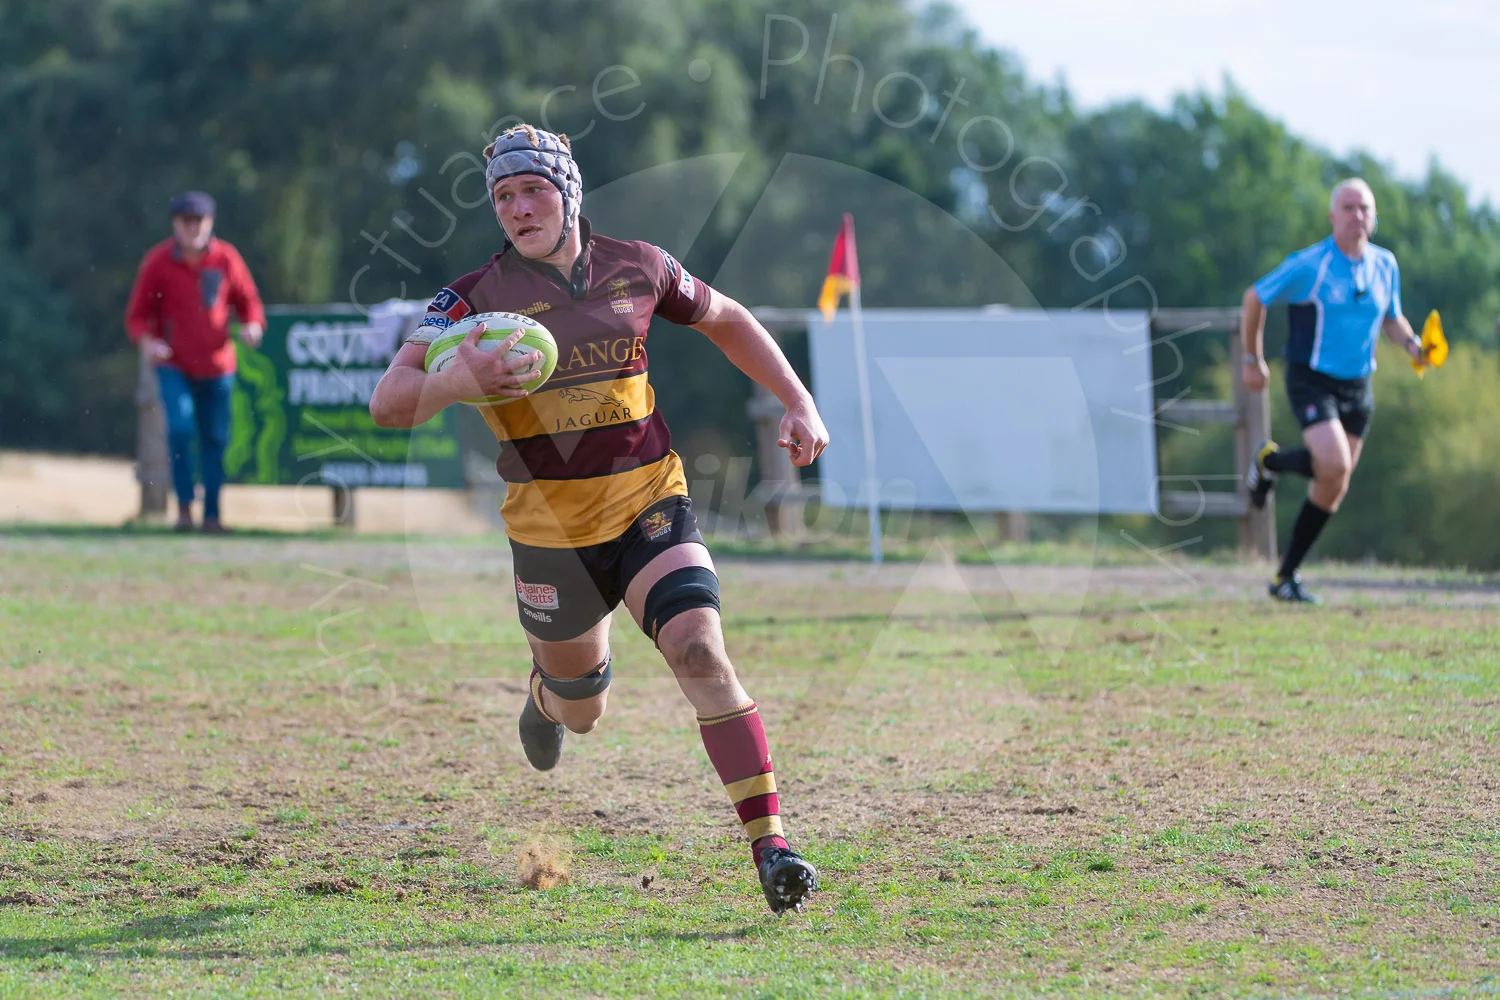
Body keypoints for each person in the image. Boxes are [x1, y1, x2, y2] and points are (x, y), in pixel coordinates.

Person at [368, 125, 830, 914]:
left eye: (532, 190)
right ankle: (548, 695)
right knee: (582, 713)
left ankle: (772, 846)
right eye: (503, 197)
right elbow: (388, 401)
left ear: (570, 191)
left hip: (650, 503)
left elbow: (725, 317)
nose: (517, 208)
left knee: (697, 650)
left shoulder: (639, 265)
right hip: (549, 535)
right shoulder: (471, 300)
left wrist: (798, 398)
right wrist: (460, 377)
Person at [1241, 178, 1426, 603]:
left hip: (1358, 385)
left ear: (1374, 216)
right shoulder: (1312, 264)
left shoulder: (1385, 264)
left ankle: (1284, 577)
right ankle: (1270, 463)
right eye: (1348, 207)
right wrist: (1252, 360)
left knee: (1334, 482)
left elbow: (1391, 319)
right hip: (1312, 378)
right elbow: (1255, 298)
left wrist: (1415, 347)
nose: (1357, 215)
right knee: (1334, 461)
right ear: (1332, 216)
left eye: (1364, 208)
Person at [124, 191, 266, 532]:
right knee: (180, 429)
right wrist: (148, 342)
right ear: (175, 224)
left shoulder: (227, 258)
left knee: (216, 438)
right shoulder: (158, 261)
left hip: (218, 367)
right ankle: (185, 510)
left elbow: (250, 303)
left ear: (210, 223)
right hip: (174, 364)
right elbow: (137, 315)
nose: (192, 228)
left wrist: (252, 326)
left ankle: (213, 515)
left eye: (198, 221)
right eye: (185, 221)